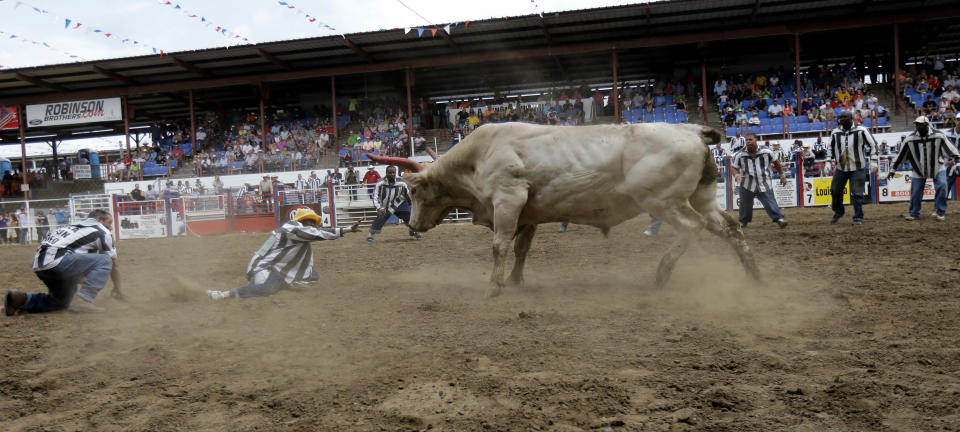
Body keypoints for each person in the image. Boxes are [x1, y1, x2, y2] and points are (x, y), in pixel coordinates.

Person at [205, 209, 360, 300]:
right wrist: (345, 229)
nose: (312, 226)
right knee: (267, 289)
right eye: (310, 222)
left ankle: (290, 282)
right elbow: (316, 233)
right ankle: (225, 294)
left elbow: (315, 233)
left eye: (314, 223)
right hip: (264, 266)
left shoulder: (299, 233)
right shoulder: (292, 227)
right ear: (302, 221)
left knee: (313, 276)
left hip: (278, 267)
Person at [4, 209, 122, 315]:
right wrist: (117, 287)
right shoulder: (102, 231)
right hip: (58, 261)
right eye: (109, 223)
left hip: (40, 266)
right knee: (105, 260)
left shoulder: (69, 227)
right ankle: (83, 300)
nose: (111, 227)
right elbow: (113, 265)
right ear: (99, 220)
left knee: (63, 301)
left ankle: (21, 300)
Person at [888, 116, 960, 221]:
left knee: (943, 186)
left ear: (926, 125)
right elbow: (900, 156)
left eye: (920, 124)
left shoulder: (939, 136)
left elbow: (952, 151)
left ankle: (940, 211)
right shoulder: (910, 139)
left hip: (937, 166)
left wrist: (957, 163)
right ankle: (914, 213)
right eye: (917, 124)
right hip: (918, 168)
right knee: (916, 192)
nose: (918, 126)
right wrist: (892, 170)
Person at [827, 110, 880, 225]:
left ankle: (858, 217)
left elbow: (873, 145)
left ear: (851, 118)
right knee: (835, 190)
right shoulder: (835, 132)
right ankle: (839, 211)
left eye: (845, 117)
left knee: (857, 193)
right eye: (841, 117)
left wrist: (874, 160)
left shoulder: (861, 130)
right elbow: (830, 148)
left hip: (857, 167)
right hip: (841, 167)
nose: (842, 119)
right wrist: (827, 161)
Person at [732, 133, 788, 229]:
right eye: (747, 140)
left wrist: (782, 175)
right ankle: (743, 222)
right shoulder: (740, 154)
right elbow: (734, 167)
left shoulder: (766, 151)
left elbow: (777, 162)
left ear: (756, 140)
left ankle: (779, 219)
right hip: (747, 184)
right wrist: (737, 175)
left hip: (764, 182)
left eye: (750, 139)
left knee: (770, 202)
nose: (748, 142)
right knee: (745, 205)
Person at [366, 165, 421, 244]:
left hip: (399, 202)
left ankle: (413, 231)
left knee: (409, 215)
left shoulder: (401, 182)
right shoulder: (380, 183)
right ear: (386, 173)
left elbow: (407, 194)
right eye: (390, 173)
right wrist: (379, 208)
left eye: (393, 173)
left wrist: (411, 203)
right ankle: (370, 236)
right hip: (385, 205)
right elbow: (375, 197)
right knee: (380, 218)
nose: (392, 174)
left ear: (395, 173)